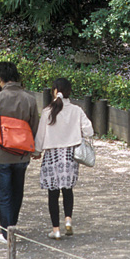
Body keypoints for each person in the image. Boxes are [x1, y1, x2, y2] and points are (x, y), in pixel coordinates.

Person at [0, 61, 39, 244]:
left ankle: (6, 233)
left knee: (4, 194)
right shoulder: (30, 100)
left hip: (0, 155)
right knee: (17, 192)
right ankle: (12, 225)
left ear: (0, 80)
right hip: (21, 155)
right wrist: (31, 149)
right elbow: (35, 128)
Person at [33, 77, 94, 239]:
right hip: (70, 155)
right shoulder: (76, 110)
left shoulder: (47, 111)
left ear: (54, 91)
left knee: (52, 193)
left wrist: (37, 151)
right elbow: (89, 131)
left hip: (51, 155)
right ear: (69, 92)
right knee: (68, 190)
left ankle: (56, 229)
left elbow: (40, 136)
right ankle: (68, 220)